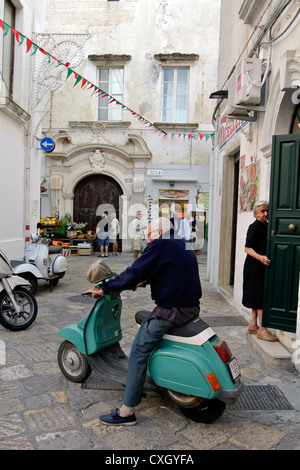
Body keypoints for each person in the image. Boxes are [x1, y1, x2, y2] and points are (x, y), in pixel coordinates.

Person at [86, 216, 202, 426]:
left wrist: (105, 288)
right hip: (190, 306)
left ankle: (126, 412)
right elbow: (172, 270)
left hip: (172, 311)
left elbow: (134, 270)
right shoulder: (182, 242)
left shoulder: (160, 243)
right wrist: (146, 281)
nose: (148, 240)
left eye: (149, 235)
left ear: (158, 233)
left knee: (138, 351)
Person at [242, 201, 278, 342]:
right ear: (256, 213)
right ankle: (262, 329)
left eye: (267, 211)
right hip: (255, 265)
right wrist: (260, 257)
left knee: (256, 295)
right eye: (262, 211)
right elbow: (247, 248)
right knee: (260, 296)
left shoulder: (265, 226)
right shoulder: (255, 227)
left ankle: (252, 325)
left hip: (260, 264)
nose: (266, 214)